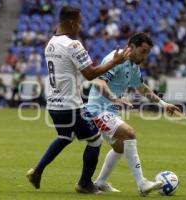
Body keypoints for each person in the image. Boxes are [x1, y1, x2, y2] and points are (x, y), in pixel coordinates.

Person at [26, 6, 131, 194]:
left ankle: (37, 171)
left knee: (65, 136)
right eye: (80, 22)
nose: (80, 27)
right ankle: (85, 184)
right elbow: (90, 74)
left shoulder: (50, 43)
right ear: (72, 22)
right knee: (96, 140)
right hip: (71, 105)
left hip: (53, 104)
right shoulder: (73, 45)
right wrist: (115, 62)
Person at [86, 33, 180, 196]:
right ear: (131, 46)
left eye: (147, 53)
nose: (145, 56)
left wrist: (163, 104)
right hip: (97, 110)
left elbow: (142, 88)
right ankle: (142, 183)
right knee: (129, 133)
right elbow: (99, 82)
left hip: (110, 111)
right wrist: (115, 99)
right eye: (143, 51)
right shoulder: (115, 59)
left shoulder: (133, 66)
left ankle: (100, 182)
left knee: (120, 147)